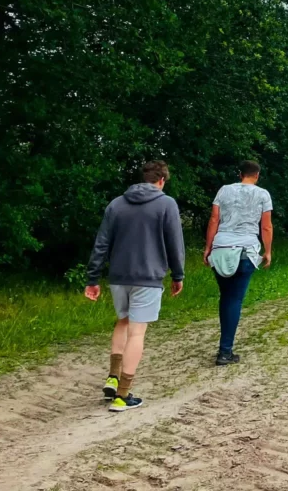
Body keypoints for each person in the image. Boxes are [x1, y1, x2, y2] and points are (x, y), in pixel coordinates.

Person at [85, 161, 185, 412]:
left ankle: (113, 376)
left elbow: (101, 243)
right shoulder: (166, 204)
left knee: (123, 321)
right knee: (137, 332)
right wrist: (178, 274)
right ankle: (123, 395)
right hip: (148, 277)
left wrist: (93, 278)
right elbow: (174, 242)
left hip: (118, 276)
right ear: (162, 180)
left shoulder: (116, 204)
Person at [203, 160, 273, 366]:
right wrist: (267, 251)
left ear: (239, 174)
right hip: (246, 251)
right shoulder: (263, 194)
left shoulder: (224, 190)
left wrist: (208, 248)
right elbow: (266, 226)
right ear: (257, 175)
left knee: (226, 298)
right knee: (234, 300)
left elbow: (214, 220)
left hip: (221, 249)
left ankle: (225, 347)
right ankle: (225, 351)